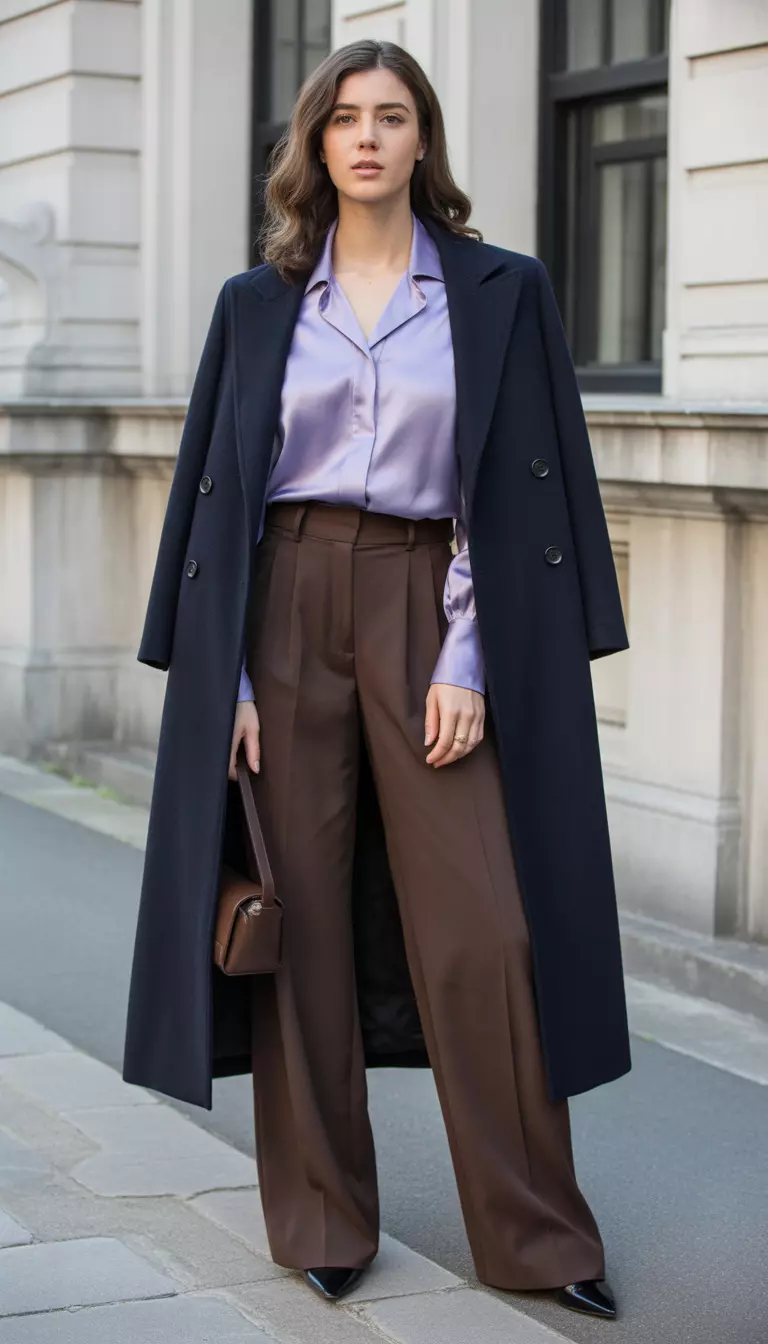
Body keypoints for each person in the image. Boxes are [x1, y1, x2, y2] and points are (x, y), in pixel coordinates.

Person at [123, 38, 631, 1323]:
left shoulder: (500, 291)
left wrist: (469, 658)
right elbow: (218, 494)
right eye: (344, 117)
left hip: (428, 599)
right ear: (315, 142)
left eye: (391, 116)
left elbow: (510, 495)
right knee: (295, 918)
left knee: (487, 929)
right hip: (284, 607)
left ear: (422, 140)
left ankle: (537, 1235)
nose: (366, 137)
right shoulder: (257, 304)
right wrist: (228, 680)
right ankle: (323, 1218)